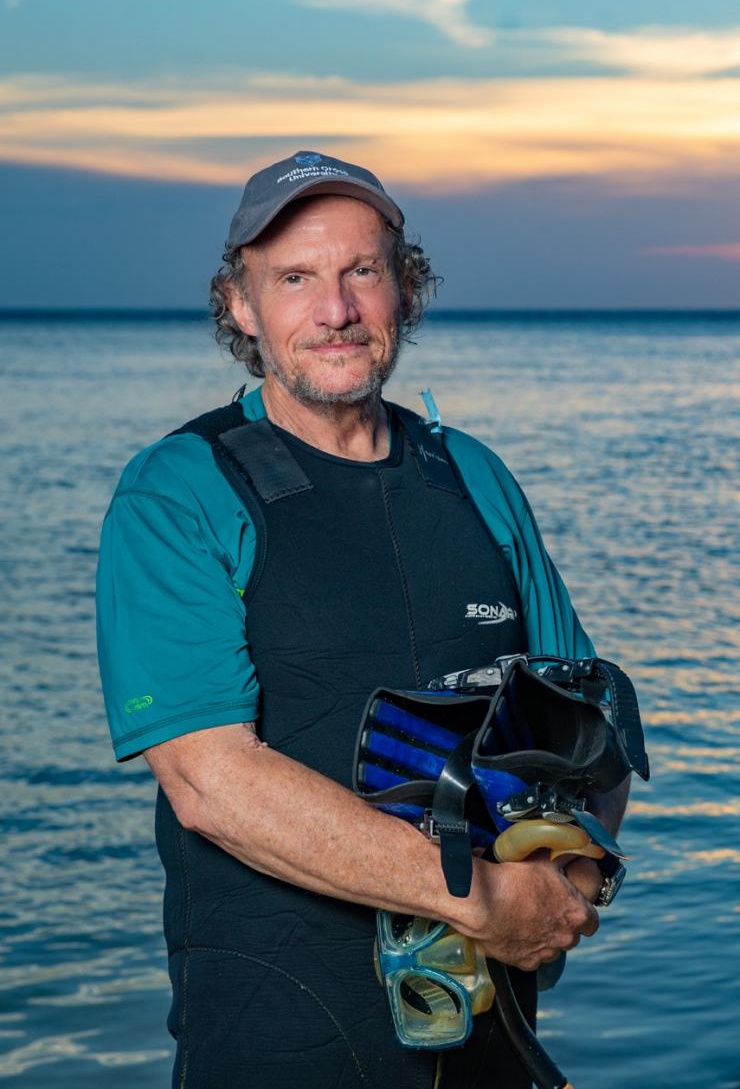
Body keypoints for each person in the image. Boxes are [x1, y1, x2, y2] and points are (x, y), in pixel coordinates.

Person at [96, 150, 628, 1089]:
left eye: (362, 272)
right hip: (275, 1050)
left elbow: (587, 730)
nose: (335, 310)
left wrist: (566, 893)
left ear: (404, 289)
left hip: (491, 1049)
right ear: (241, 305)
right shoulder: (178, 491)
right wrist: (480, 896)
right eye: (295, 278)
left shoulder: (471, 476)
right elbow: (212, 782)